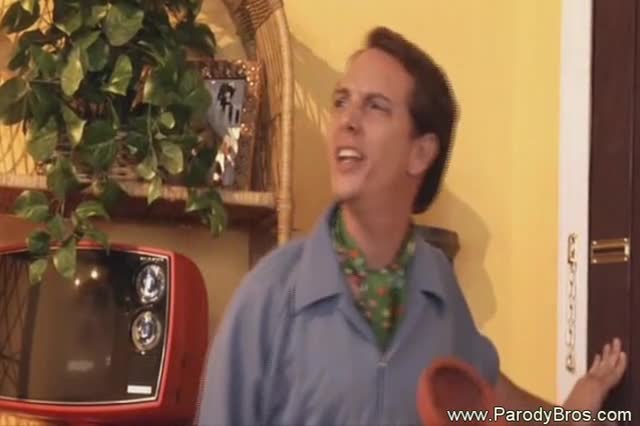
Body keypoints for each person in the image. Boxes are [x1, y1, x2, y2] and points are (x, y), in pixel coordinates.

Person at [195, 26, 627, 425]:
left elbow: (487, 394)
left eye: (375, 106)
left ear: (420, 153)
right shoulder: (269, 295)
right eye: (341, 101)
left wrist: (572, 415)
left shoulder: (438, 286)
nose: (346, 120)